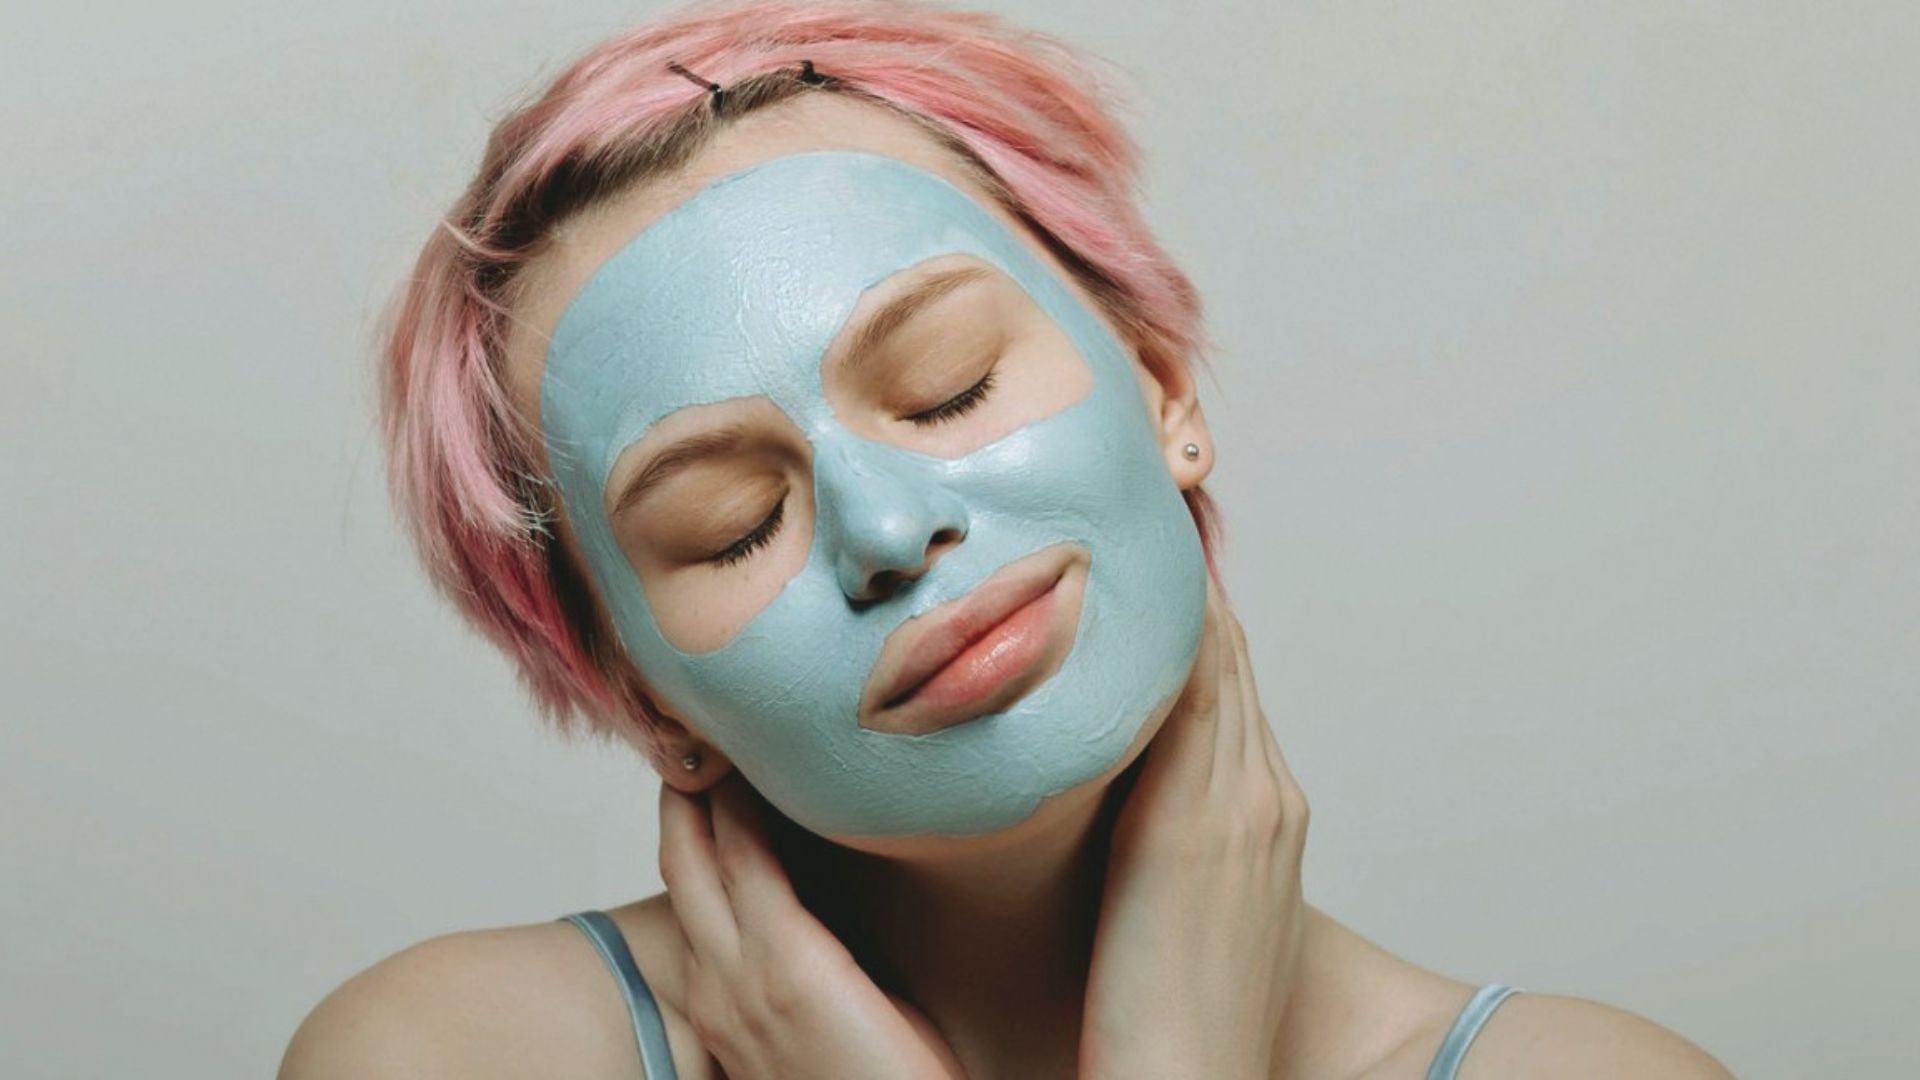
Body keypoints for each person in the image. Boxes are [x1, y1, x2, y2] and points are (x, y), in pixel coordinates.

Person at [281, 2, 1735, 1076]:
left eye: (947, 385)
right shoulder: (455, 1052)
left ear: (1162, 384)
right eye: (729, 526)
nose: (890, 531)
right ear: (644, 697)